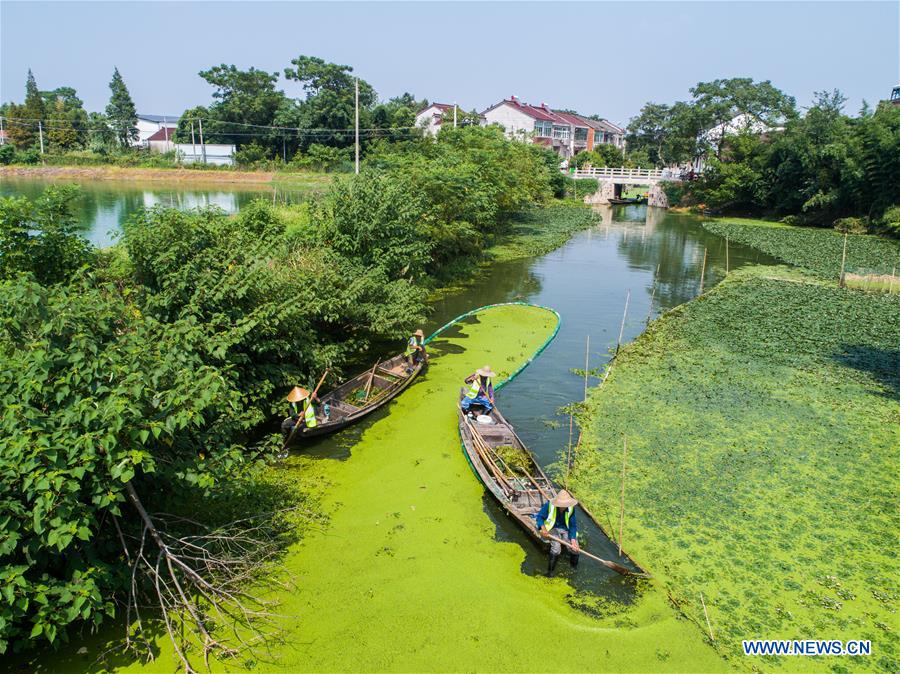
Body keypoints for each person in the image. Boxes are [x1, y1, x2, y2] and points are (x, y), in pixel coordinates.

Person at [535, 489, 580, 577]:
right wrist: (543, 528)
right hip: (552, 528)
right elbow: (539, 517)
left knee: (575, 549)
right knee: (556, 548)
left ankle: (573, 569)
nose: (563, 506)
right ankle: (550, 572)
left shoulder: (571, 509)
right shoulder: (549, 505)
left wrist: (573, 540)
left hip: (565, 529)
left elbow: (573, 525)